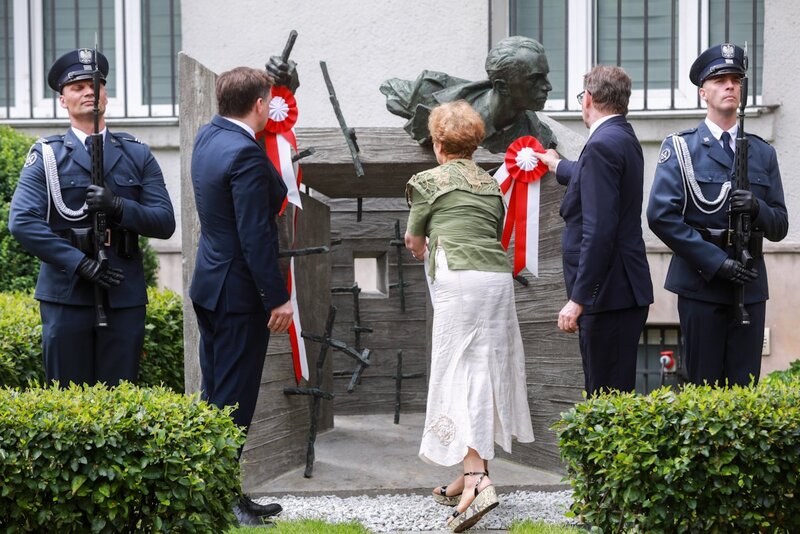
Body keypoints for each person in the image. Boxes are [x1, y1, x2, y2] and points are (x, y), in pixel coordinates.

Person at [8, 48, 175, 386]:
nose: (89, 92)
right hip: (67, 292)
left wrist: (119, 206)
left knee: (120, 397)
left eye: (95, 85)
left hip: (122, 290)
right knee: (68, 397)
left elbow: (164, 222)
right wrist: (80, 264)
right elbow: (22, 221)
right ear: (63, 100)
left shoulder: (136, 154)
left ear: (105, 95)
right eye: (78, 86)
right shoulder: (48, 155)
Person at [405, 100, 534, 532]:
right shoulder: (492, 184)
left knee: (460, 372)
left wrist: (421, 248)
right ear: (474, 144)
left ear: (438, 144)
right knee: (486, 370)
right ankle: (471, 471)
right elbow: (493, 234)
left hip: (458, 277)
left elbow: (414, 239)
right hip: (495, 279)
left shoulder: (428, 181)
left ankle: (477, 477)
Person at [647, 44, 788, 387]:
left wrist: (757, 209)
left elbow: (780, 225)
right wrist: (716, 262)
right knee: (703, 386)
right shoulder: (683, 148)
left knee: (744, 388)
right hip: (701, 284)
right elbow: (661, 216)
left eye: (736, 80)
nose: (730, 86)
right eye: (720, 80)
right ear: (703, 92)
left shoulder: (762, 152)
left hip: (748, 284)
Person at [189, 66, 293, 526]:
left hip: (210, 284)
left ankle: (219, 490)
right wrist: (277, 297)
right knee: (233, 401)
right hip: (238, 294)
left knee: (216, 394)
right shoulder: (245, 153)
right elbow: (255, 235)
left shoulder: (208, 138)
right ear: (259, 104)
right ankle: (221, 500)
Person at [538, 65, 653, 396]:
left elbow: (599, 229)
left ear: (588, 98)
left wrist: (578, 299)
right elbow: (596, 177)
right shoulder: (622, 136)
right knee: (612, 397)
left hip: (607, 296)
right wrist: (558, 165)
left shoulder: (602, 144)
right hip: (620, 290)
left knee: (605, 401)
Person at [381, 35, 555, 153]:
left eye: (545, 76)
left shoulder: (539, 136)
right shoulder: (433, 98)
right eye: (535, 79)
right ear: (502, 87)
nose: (548, 87)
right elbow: (390, 89)